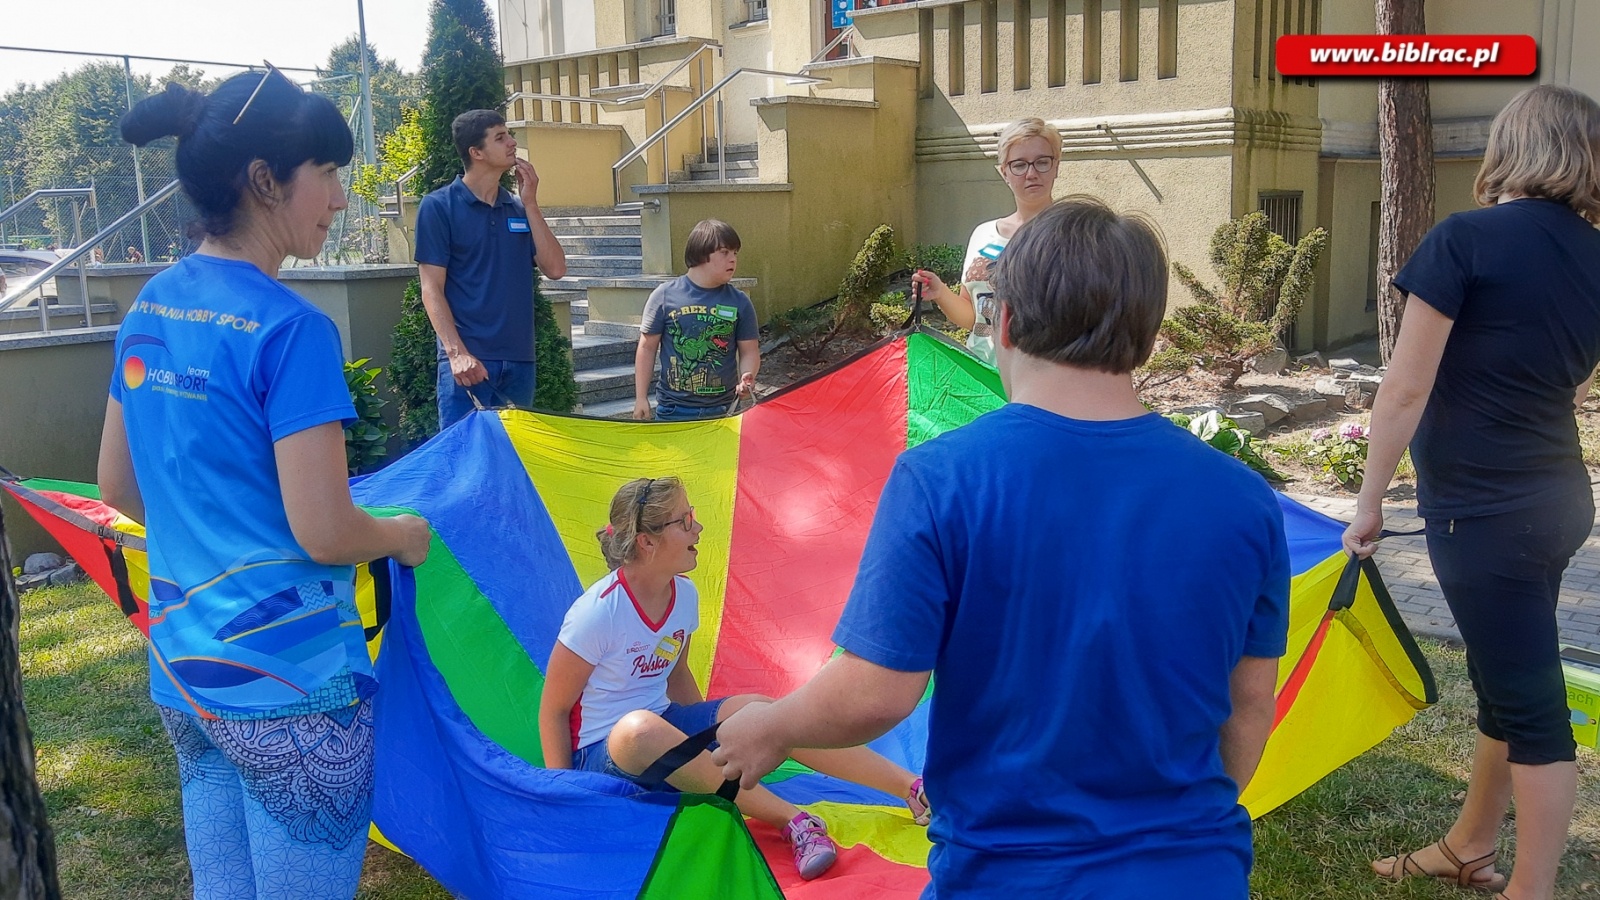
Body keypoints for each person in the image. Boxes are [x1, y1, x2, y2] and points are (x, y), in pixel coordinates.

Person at [711, 198, 1289, 898]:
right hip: (1193, 871)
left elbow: (875, 692)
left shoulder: (941, 478)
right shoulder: (1244, 498)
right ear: (1147, 334)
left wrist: (771, 728)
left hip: (1005, 874)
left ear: (1003, 321)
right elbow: (1251, 701)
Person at [100, 73, 432, 900]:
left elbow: (117, 487)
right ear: (263, 179)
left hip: (183, 671)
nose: (341, 199)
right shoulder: (292, 330)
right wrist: (400, 534)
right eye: (327, 171)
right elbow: (325, 530)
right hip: (294, 691)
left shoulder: (148, 309)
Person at [1344, 85, 1600, 900]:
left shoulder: (1466, 239)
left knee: (1532, 708)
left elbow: (1404, 390)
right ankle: (1469, 845)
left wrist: (1369, 500)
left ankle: (1531, 888)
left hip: (1484, 514)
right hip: (1557, 500)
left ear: (1511, 147)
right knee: (1504, 677)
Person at [538, 476, 929, 881]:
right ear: (647, 542)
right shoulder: (598, 613)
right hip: (605, 757)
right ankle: (795, 822)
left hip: (663, 731)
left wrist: (715, 744)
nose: (698, 528)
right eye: (685, 520)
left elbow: (677, 675)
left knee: (756, 711)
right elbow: (554, 709)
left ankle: (912, 788)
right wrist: (565, 799)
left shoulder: (683, 594)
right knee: (638, 730)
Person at [416, 109, 567, 430]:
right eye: (501, 137)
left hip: (519, 362)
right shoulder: (438, 207)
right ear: (476, 152)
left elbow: (555, 268)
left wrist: (531, 204)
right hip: (468, 363)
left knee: (511, 464)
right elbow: (430, 288)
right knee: (462, 465)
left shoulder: (517, 207)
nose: (512, 143)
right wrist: (456, 354)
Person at [910, 117, 1061, 365]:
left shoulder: (1075, 235)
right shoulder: (983, 234)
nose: (1031, 173)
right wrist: (940, 292)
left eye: (1042, 162)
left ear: (1056, 166)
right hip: (983, 376)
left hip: (1044, 380)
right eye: (1019, 165)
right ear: (1005, 172)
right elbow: (976, 319)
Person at [631, 220, 759, 420]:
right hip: (673, 410)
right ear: (701, 254)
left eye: (735, 253)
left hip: (724, 410)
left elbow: (749, 350)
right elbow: (647, 348)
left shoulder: (740, 302)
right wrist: (640, 398)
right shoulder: (664, 296)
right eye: (725, 252)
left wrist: (747, 376)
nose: (733, 259)